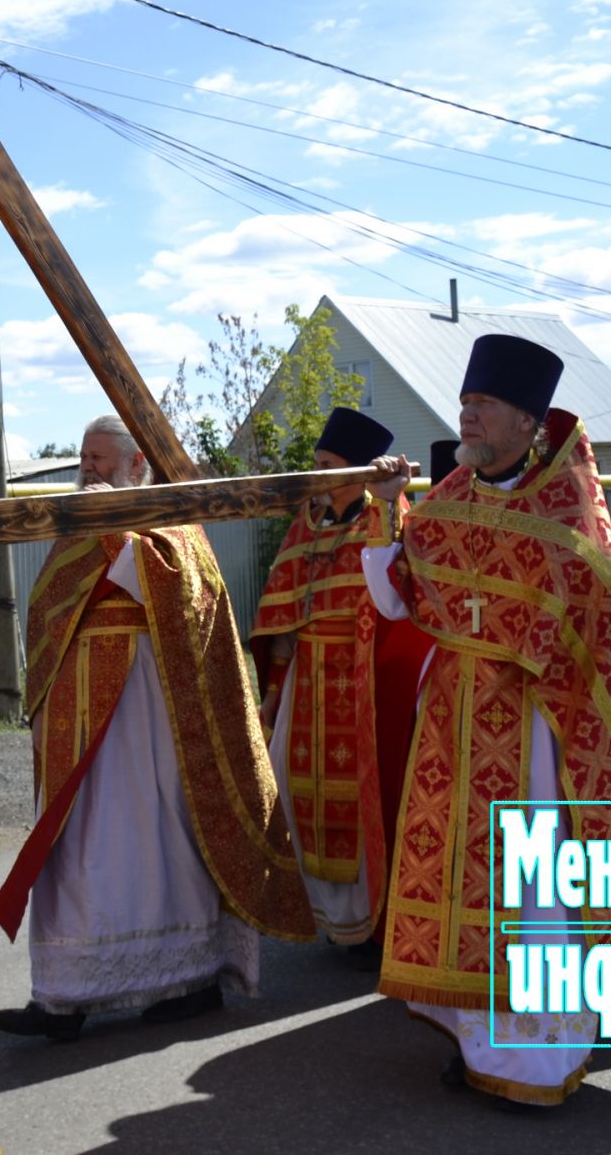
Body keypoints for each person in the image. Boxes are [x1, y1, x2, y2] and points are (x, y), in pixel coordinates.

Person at [362, 337, 611, 1109]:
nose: (468, 414)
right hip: (455, 720)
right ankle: (474, 1030)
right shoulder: (448, 501)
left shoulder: (570, 509)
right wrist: (383, 513)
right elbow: (397, 596)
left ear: (528, 422)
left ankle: (538, 1054)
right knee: (460, 880)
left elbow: (599, 621)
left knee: (534, 888)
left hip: (542, 729)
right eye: (467, 403)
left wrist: (531, 651)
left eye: (485, 405)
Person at [0, 415, 313, 1042]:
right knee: (75, 846)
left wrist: (113, 529)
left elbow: (183, 602)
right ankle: (62, 994)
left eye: (102, 459)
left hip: (149, 716)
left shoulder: (174, 521)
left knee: (156, 841)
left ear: (138, 462)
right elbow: (48, 611)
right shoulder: (77, 525)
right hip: (78, 718)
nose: (89, 469)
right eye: (84, 456)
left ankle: (187, 981)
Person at [252, 408, 430, 967]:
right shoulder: (308, 520)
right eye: (317, 464)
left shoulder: (389, 516)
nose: (318, 475)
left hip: (364, 680)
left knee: (366, 799)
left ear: (356, 471)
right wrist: (276, 688)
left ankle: (373, 920)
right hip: (309, 679)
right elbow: (283, 608)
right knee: (300, 795)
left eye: (328, 466)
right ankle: (332, 918)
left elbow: (401, 600)